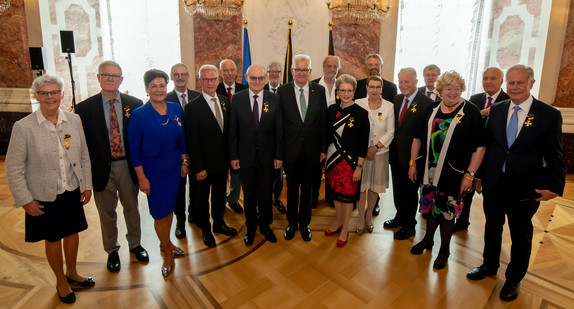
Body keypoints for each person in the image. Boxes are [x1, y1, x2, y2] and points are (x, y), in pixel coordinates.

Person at [467, 65, 565, 302]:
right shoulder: (497, 110)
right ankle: (489, 266)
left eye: (520, 83)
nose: (515, 87)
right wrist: (478, 176)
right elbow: (486, 146)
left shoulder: (548, 115)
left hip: (526, 186)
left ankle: (514, 278)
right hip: (494, 182)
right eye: (511, 83)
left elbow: (554, 154)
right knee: (492, 227)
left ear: (531, 83)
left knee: (521, 233)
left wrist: (555, 187)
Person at [6, 75, 94, 304]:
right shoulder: (23, 127)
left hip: (71, 189)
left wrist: (86, 185)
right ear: (36, 96)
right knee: (53, 238)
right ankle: (60, 280)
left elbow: (84, 155)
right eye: (44, 93)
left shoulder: (73, 120)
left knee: (73, 231)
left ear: (62, 95)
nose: (50, 97)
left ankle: (72, 273)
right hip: (43, 194)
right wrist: (25, 199)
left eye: (54, 92)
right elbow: (13, 167)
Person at [407, 71, 485, 270]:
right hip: (428, 170)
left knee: (447, 213)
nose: (452, 92)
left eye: (457, 88)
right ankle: (428, 240)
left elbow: (480, 148)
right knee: (431, 209)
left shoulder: (471, 111)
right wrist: (413, 164)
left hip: (454, 174)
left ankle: (444, 251)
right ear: (440, 89)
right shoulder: (431, 108)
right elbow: (417, 138)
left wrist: (470, 175)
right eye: (448, 88)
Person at [76, 60, 148, 273]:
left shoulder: (134, 104)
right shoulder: (84, 108)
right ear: (98, 78)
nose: (110, 79)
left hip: (127, 166)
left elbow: (142, 139)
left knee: (132, 208)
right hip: (101, 169)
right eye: (105, 75)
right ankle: (112, 251)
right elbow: (81, 146)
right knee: (107, 212)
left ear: (121, 80)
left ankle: (135, 244)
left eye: (114, 76)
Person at [127, 69, 188, 278]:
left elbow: (182, 139)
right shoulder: (138, 115)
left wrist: (184, 161)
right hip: (153, 173)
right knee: (160, 214)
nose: (158, 90)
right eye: (153, 86)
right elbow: (134, 151)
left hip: (173, 170)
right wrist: (141, 178)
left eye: (162, 85)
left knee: (169, 210)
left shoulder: (174, 108)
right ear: (146, 89)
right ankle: (167, 255)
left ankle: (167, 243)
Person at [229, 64, 284, 246]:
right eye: (253, 78)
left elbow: (279, 131)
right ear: (246, 77)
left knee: (266, 193)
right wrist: (234, 156)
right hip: (245, 157)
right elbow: (233, 130)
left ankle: (266, 225)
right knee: (250, 194)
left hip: (268, 158)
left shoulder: (274, 99)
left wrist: (278, 155)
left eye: (261, 78)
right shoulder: (237, 99)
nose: (257, 81)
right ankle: (251, 226)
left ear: (266, 78)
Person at [185, 64, 238, 248]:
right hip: (203, 167)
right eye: (205, 79)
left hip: (222, 164)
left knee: (218, 196)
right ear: (199, 81)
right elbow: (192, 141)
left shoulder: (224, 101)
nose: (209, 82)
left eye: (213, 79)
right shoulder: (192, 108)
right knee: (201, 199)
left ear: (218, 80)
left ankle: (219, 223)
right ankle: (206, 229)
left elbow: (229, 134)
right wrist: (198, 167)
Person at [279, 54, 328, 242]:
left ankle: (305, 223)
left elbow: (323, 122)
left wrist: (323, 148)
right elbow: (279, 124)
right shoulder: (282, 92)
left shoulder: (319, 91)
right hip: (290, 151)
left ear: (310, 71)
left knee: (308, 190)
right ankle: (292, 222)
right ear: (292, 71)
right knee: (291, 189)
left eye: (304, 69)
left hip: (313, 151)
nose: (301, 73)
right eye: (297, 69)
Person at [456, 67, 509, 232]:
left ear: (501, 81)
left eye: (493, 78)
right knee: (466, 192)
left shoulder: (508, 99)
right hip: (474, 153)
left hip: (495, 156)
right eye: (485, 78)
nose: (488, 81)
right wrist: (482, 113)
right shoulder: (475, 98)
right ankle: (462, 222)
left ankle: (493, 229)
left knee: (492, 201)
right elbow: (470, 121)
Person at [385, 68, 433, 240]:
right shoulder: (396, 99)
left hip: (413, 157)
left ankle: (409, 225)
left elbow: (424, 135)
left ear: (415, 82)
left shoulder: (426, 102)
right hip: (395, 155)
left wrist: (416, 161)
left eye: (407, 81)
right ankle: (400, 216)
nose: (403, 85)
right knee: (398, 189)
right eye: (401, 81)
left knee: (410, 192)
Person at [324, 74, 369, 247]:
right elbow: (326, 135)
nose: (346, 93)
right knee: (335, 192)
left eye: (349, 90)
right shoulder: (331, 110)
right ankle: (338, 222)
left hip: (350, 162)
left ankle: (345, 229)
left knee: (347, 196)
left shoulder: (361, 113)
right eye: (342, 90)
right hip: (332, 159)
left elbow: (363, 143)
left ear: (354, 92)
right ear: (337, 92)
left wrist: (359, 166)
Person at [353, 53, 398, 216]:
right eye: (370, 64)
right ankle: (359, 215)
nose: (375, 89)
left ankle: (371, 212)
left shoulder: (391, 93)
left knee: (374, 186)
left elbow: (391, 130)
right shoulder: (358, 94)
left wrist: (376, 147)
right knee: (362, 185)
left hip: (380, 151)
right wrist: (363, 148)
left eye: (376, 64)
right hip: (360, 152)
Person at [166, 63, 201, 239]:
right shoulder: (165, 99)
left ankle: (194, 213)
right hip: (176, 152)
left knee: (196, 184)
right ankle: (180, 221)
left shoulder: (197, 96)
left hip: (196, 151)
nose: (180, 77)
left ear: (188, 77)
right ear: (171, 77)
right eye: (176, 74)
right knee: (179, 188)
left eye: (183, 74)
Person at [217, 59, 248, 214]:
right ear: (221, 73)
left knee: (236, 172)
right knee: (222, 172)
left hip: (240, 139)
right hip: (220, 139)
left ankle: (233, 199)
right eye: (225, 70)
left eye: (231, 70)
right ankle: (220, 200)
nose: (229, 73)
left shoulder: (245, 89)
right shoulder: (215, 89)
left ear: (237, 71)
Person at [311, 55, 341, 208]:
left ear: (338, 69)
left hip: (337, 135)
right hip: (317, 135)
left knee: (334, 167)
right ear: (323, 67)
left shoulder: (342, 85)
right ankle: (313, 197)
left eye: (335, 66)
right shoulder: (313, 85)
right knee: (316, 169)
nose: (332, 69)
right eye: (329, 66)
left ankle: (331, 196)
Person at [264, 61, 286, 214]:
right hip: (264, 140)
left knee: (279, 174)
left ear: (280, 73)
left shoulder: (286, 91)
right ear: (267, 74)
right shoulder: (261, 89)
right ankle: (264, 200)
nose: (274, 74)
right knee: (265, 174)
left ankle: (276, 199)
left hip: (282, 139)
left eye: (276, 71)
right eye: (271, 71)